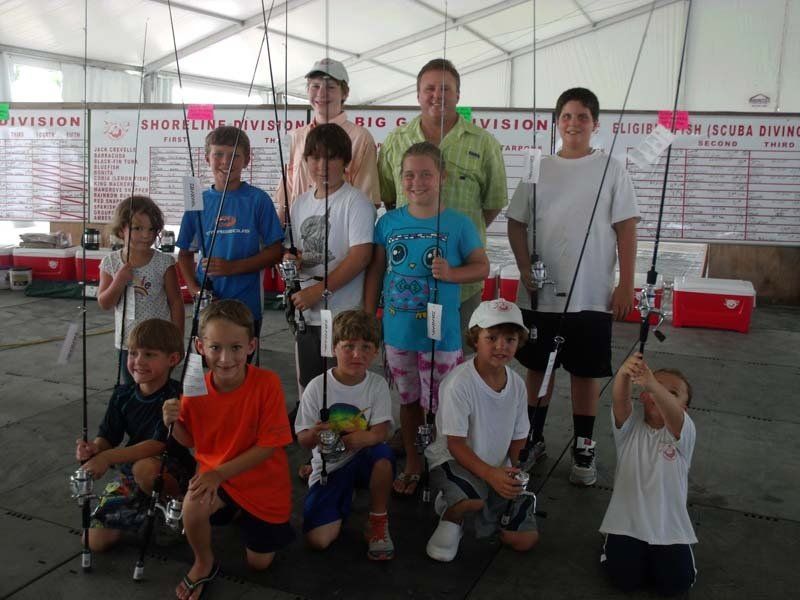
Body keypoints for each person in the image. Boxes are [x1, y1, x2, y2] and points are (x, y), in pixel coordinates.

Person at [506, 87, 640, 486]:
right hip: (540, 293)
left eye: (583, 116)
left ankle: (584, 444)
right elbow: (516, 223)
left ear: (596, 124)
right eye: (566, 116)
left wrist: (625, 284)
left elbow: (626, 228)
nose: (574, 123)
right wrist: (524, 267)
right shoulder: (537, 168)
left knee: (586, 372)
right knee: (537, 369)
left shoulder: (612, 168)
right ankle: (533, 437)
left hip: (592, 294)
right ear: (556, 122)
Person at [365, 141, 489, 496]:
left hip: (442, 336)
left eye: (425, 174)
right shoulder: (387, 222)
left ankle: (442, 464)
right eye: (409, 175)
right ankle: (415, 463)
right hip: (398, 333)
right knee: (408, 401)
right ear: (399, 179)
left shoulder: (459, 224)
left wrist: (451, 273)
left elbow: (482, 266)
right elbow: (376, 271)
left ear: (442, 177)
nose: (416, 181)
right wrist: (368, 314)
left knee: (442, 405)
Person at [163, 300, 294, 600]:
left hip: (260, 481)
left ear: (251, 346)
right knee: (192, 506)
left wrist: (218, 474)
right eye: (215, 347)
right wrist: (172, 423)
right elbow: (188, 440)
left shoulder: (268, 383)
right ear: (200, 346)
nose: (225, 358)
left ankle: (239, 512)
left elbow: (268, 446)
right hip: (217, 477)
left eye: (236, 347)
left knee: (259, 564)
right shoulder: (194, 388)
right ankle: (203, 561)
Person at [378, 58, 507, 337]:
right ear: (418, 94)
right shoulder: (394, 141)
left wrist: (459, 232)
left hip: (462, 283)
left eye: (446, 89)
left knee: (456, 366)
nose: (438, 95)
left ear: (458, 94)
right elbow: (390, 199)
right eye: (430, 88)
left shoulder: (484, 143)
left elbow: (492, 203)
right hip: (405, 283)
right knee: (406, 364)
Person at [424, 299, 539, 562]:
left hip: (496, 466)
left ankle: (483, 504)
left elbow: (519, 437)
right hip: (453, 461)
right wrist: (491, 474)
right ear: (475, 339)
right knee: (473, 501)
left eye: (510, 339)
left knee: (523, 540)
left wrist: (515, 470)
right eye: (492, 337)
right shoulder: (459, 384)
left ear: (518, 342)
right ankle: (452, 511)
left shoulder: (519, 386)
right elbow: (455, 444)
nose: (501, 346)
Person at [74, 319, 194, 552]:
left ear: (173, 359)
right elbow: (108, 436)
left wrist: (107, 458)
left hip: (171, 469)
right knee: (93, 541)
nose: (138, 361)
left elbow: (157, 445)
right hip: (131, 472)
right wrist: (94, 450)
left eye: (149, 354)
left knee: (145, 469)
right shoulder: (122, 394)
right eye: (133, 353)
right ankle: (145, 512)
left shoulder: (177, 396)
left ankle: (176, 508)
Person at [285, 123, 375, 402]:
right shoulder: (299, 203)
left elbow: (361, 256)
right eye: (315, 157)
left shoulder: (356, 201)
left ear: (346, 162)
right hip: (306, 315)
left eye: (332, 157)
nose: (322, 165)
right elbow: (296, 251)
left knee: (342, 388)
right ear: (306, 160)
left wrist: (318, 290)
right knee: (310, 386)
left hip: (343, 316)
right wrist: (291, 259)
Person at [295, 310, 395, 560]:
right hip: (329, 467)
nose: (357, 354)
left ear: (375, 351)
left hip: (365, 458)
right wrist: (316, 434)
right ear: (333, 348)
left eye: (366, 347)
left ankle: (378, 520)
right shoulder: (317, 387)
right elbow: (302, 439)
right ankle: (342, 495)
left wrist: (366, 438)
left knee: (382, 453)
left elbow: (382, 431)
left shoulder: (377, 384)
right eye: (348, 346)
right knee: (318, 541)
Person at [176, 125, 284, 348]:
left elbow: (276, 251)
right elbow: (184, 255)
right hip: (207, 309)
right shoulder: (197, 202)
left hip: (248, 307)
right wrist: (196, 290)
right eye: (218, 154)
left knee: (242, 370)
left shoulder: (258, 200)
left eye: (235, 155)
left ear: (247, 160)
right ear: (207, 158)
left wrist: (232, 268)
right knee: (207, 372)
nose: (226, 161)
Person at [600, 353, 697, 596]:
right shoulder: (629, 428)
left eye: (672, 393)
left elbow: (674, 419)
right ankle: (614, 547)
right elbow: (621, 400)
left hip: (669, 529)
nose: (660, 394)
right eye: (654, 387)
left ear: (684, 408)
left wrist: (652, 383)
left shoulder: (684, 433)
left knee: (677, 585)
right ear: (643, 396)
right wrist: (624, 373)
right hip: (627, 525)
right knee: (624, 580)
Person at [275, 57, 380, 217]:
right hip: (297, 233)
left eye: (330, 87)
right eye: (315, 86)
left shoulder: (361, 138)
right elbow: (285, 199)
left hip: (341, 231)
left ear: (345, 93)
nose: (321, 93)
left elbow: (368, 201)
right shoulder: (294, 137)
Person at [98, 196, 184, 384]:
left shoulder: (165, 262)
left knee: (159, 388)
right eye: (138, 228)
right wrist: (118, 281)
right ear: (122, 230)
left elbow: (176, 302)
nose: (146, 235)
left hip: (160, 342)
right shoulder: (110, 263)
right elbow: (105, 302)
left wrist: (178, 340)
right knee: (130, 389)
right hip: (127, 344)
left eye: (151, 229)